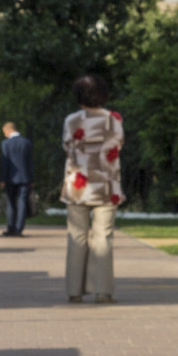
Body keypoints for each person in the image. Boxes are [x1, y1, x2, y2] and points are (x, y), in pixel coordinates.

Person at [62, 73, 124, 303]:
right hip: (107, 185)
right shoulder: (113, 120)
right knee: (103, 237)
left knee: (76, 236)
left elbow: (67, 147)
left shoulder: (71, 120)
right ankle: (103, 291)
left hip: (77, 185)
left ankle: (74, 291)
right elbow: (117, 145)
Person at [0, 121, 34, 236]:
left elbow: (5, 162)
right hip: (25, 177)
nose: (4, 135)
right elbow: (30, 162)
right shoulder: (26, 142)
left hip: (10, 178)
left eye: (4, 132)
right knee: (22, 202)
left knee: (11, 203)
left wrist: (2, 178)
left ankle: (11, 227)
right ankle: (19, 228)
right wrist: (31, 178)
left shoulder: (6, 144)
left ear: (8, 130)